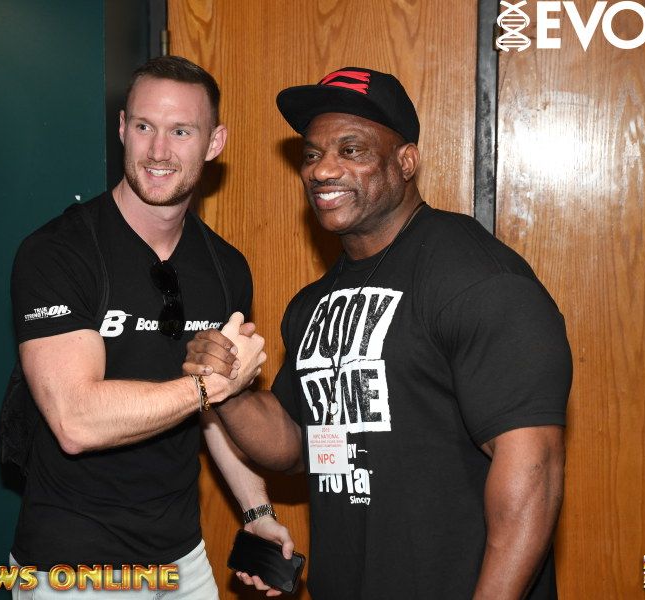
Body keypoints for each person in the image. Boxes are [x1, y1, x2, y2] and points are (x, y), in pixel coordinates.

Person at [185, 67, 572, 599]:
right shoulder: (313, 304)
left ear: (406, 161)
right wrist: (228, 389)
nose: (323, 170)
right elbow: (295, 444)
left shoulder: (475, 278)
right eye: (312, 154)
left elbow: (535, 470)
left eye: (351, 150)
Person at [9, 55, 291, 599]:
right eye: (144, 127)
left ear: (214, 142)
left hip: (181, 558)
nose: (159, 151)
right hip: (75, 565)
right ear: (122, 128)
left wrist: (256, 511)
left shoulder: (225, 268)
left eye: (181, 131)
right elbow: (75, 421)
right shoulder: (58, 253)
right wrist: (208, 387)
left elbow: (215, 412)